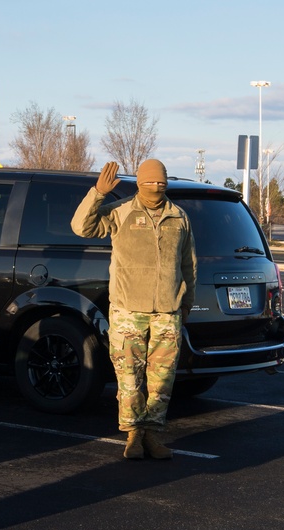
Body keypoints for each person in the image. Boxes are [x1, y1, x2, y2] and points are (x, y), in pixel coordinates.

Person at [71, 160, 196, 460]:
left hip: (168, 313)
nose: (156, 187)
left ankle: (152, 434)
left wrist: (185, 304)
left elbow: (188, 266)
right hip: (128, 312)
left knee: (161, 381)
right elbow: (81, 227)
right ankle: (133, 436)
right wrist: (98, 194)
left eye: (160, 182)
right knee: (129, 378)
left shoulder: (179, 217)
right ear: (140, 182)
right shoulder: (121, 211)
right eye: (150, 182)